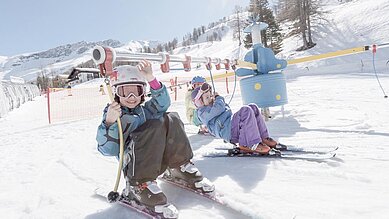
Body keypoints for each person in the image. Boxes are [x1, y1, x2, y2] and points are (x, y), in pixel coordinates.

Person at [96, 60, 214, 216]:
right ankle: (139, 186)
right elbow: (108, 149)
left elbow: (162, 103)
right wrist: (109, 122)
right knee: (150, 128)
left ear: (143, 92)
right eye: (125, 92)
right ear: (116, 93)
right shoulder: (116, 116)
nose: (132, 97)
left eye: (137, 91)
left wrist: (151, 78)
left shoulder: (145, 111)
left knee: (170, 118)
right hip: (135, 168)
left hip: (156, 160)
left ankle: (179, 167)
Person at [191, 82, 285, 154]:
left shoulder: (213, 104)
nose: (210, 98)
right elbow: (219, 109)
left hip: (230, 125)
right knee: (245, 110)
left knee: (253, 107)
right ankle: (249, 144)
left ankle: (263, 137)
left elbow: (226, 110)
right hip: (228, 131)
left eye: (210, 96)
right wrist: (219, 98)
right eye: (207, 98)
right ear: (200, 103)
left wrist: (216, 100)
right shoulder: (202, 113)